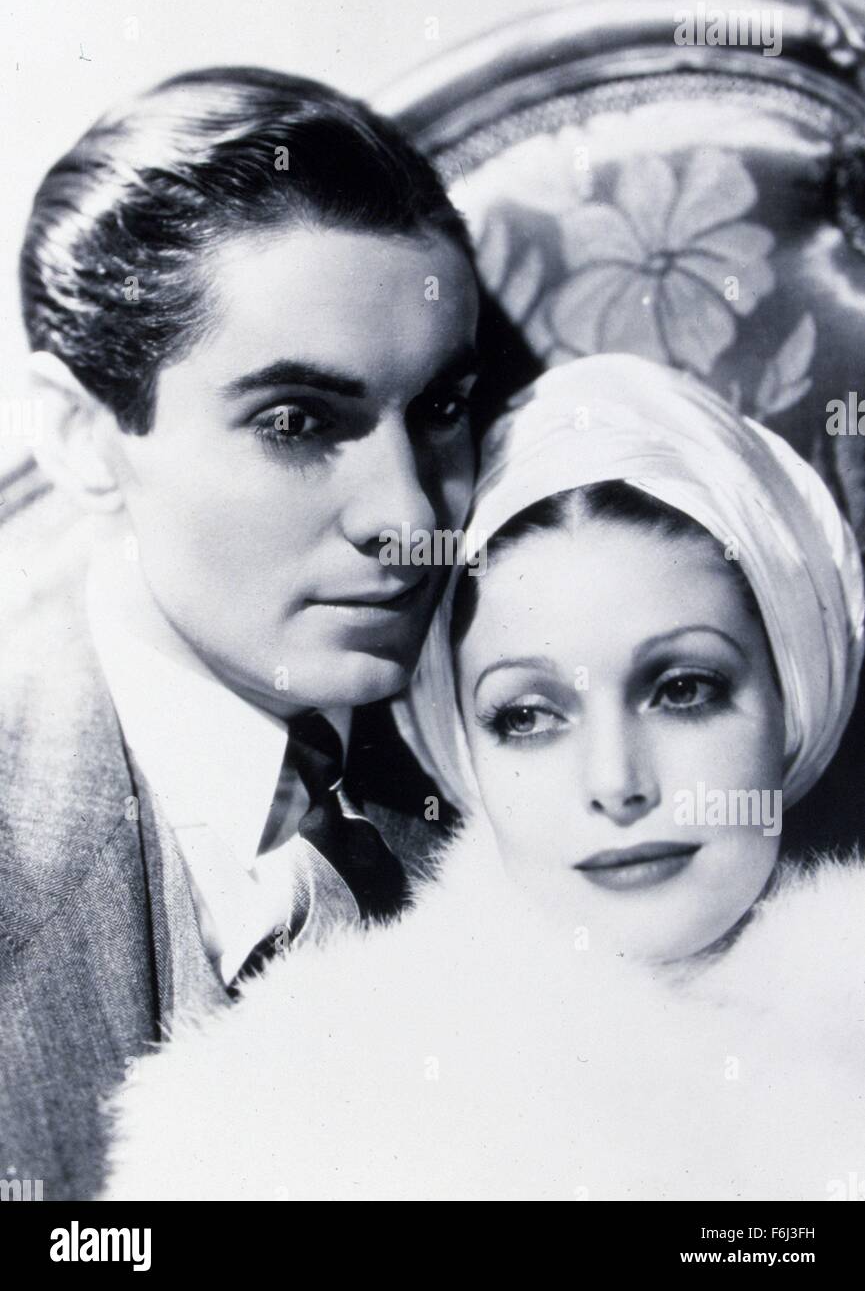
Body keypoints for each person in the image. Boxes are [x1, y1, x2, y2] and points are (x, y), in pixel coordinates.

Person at [103, 354, 865, 1201]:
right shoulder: (287, 1113)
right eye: (528, 715)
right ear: (460, 745)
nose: (615, 782)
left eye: (682, 690)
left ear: (793, 696)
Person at [0, 65, 531, 1200]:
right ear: (83, 435)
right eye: (297, 422)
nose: (410, 517)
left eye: (440, 410)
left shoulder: (559, 735)